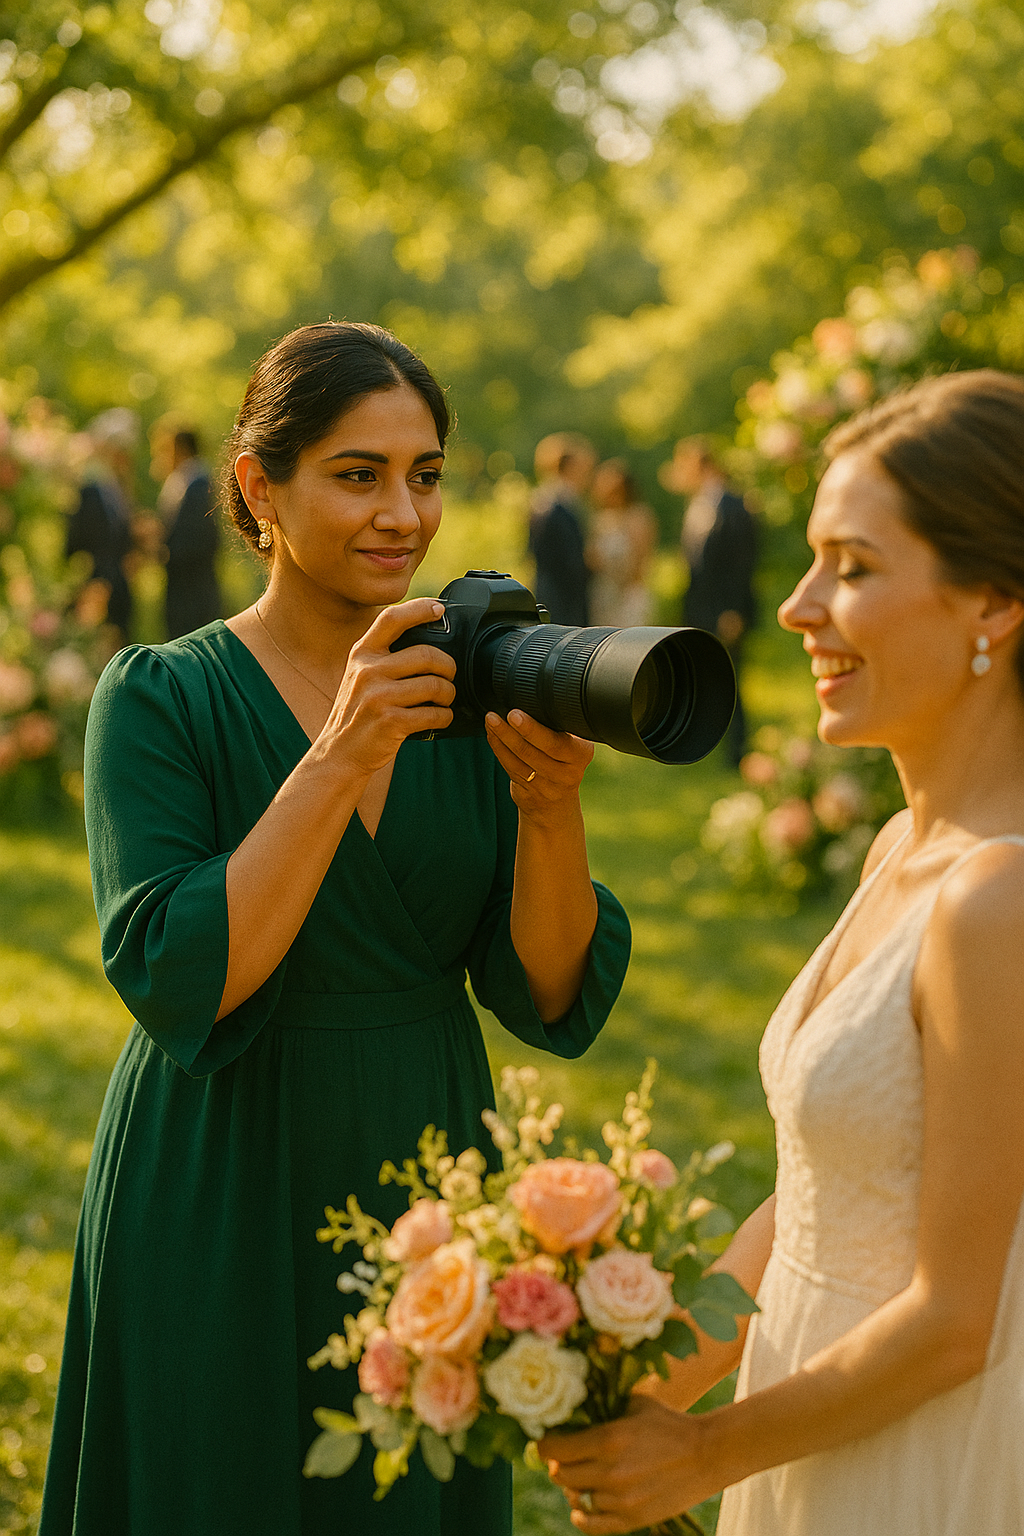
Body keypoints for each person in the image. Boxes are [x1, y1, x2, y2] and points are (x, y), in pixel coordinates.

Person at [40, 323, 631, 1536]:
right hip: (219, 1169)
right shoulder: (159, 696)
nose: (402, 515)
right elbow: (183, 977)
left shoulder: (467, 697)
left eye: (424, 475)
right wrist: (339, 753)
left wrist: (549, 812)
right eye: (358, 475)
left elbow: (545, 991)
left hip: (425, 1160)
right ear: (260, 488)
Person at [541, 370, 1024, 1536]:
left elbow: (954, 1321)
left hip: (915, 1451)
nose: (800, 607)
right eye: (810, 561)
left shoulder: (996, 899)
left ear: (992, 601)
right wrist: (639, 1386)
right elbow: (820, 1193)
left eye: (851, 568)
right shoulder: (900, 848)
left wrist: (703, 1454)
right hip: (802, 1401)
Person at [663, 437, 757, 765]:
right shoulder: (697, 504)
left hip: (725, 610)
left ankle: (737, 751)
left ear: (702, 466)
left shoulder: (735, 505)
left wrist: (733, 610)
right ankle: (702, 745)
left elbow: (741, 563)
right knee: (700, 676)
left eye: (684, 467)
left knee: (730, 677)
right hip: (698, 608)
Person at [65, 407, 138, 645]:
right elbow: (79, 539)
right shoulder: (90, 489)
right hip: (98, 585)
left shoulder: (118, 489)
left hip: (119, 588)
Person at [150, 420, 223, 639]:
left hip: (191, 591)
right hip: (187, 588)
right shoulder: (185, 481)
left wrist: (161, 549)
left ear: (180, 448)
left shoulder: (197, 484)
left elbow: (197, 539)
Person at [527, 432, 595, 626]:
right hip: (561, 599)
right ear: (570, 466)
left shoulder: (547, 501)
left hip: (554, 594)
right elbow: (566, 560)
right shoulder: (553, 506)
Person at [586, 459, 657, 629]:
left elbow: (642, 559)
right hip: (603, 593)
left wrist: (621, 583)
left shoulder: (638, 517)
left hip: (629, 593)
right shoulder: (600, 520)